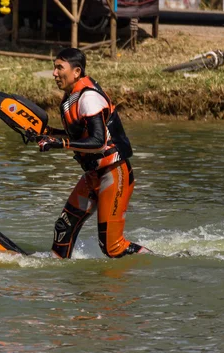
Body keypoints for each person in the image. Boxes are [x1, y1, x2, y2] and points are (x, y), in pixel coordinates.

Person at [37, 48, 150, 259]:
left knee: (112, 247)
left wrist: (59, 143)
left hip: (114, 174)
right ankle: (54, 277)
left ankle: (159, 263)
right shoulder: (72, 96)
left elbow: (98, 142)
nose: (54, 73)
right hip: (93, 174)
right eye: (54, 67)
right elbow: (80, 135)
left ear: (77, 72)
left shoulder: (88, 98)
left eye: (59, 68)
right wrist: (46, 134)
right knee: (63, 228)